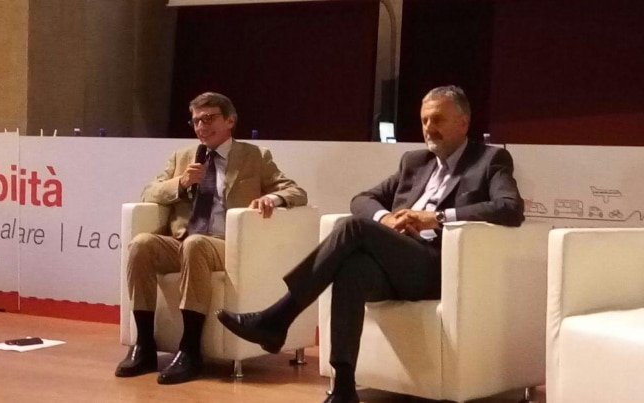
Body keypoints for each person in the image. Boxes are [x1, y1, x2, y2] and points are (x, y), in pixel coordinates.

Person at [215, 85, 524, 403]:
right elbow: (362, 199)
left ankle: (278, 316)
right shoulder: (415, 162)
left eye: (437, 119)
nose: (429, 128)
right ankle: (344, 388)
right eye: (424, 121)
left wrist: (436, 217)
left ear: (463, 122)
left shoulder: (489, 160)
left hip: (438, 266)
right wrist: (385, 219)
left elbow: (510, 208)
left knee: (352, 228)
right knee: (353, 269)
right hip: (398, 261)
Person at [116, 92, 308, 384]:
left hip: (225, 244)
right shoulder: (182, 157)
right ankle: (143, 345)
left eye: (209, 119)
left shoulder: (254, 156)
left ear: (230, 121)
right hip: (183, 239)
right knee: (142, 244)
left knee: (196, 245)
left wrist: (272, 198)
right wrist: (181, 182)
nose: (201, 127)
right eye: (196, 121)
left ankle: (190, 349)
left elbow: (296, 191)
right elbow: (149, 192)